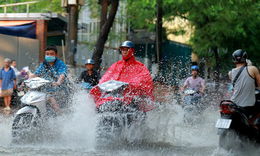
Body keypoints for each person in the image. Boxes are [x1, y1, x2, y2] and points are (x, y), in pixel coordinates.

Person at [90, 41, 155, 112]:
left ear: (132, 50)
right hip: (114, 97)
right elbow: (105, 80)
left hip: (131, 98)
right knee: (99, 108)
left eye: (127, 49)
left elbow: (144, 82)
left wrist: (132, 86)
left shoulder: (140, 67)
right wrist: (99, 86)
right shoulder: (115, 66)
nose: (125, 51)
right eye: (123, 49)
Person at [31, 45, 68, 115]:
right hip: (46, 89)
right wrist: (27, 80)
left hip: (59, 90)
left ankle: (59, 116)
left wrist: (58, 82)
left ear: (56, 55)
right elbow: (36, 74)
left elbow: (62, 75)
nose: (49, 56)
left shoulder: (60, 64)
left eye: (51, 54)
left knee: (50, 98)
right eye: (47, 54)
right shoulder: (44, 64)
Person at [229, 49, 260, 126]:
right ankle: (251, 120)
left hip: (234, 104)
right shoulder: (253, 69)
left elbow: (236, 87)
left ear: (234, 61)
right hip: (247, 105)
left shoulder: (230, 73)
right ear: (246, 58)